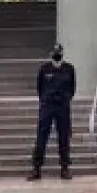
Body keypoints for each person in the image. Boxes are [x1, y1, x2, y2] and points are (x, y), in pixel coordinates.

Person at [28, 44, 76, 181]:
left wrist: (65, 99)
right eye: (54, 52)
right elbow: (39, 87)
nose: (56, 54)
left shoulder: (69, 69)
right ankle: (36, 168)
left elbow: (72, 88)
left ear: (62, 53)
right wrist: (45, 100)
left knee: (64, 138)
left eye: (58, 52)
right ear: (51, 53)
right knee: (41, 138)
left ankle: (65, 168)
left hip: (62, 106)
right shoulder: (44, 69)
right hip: (47, 106)